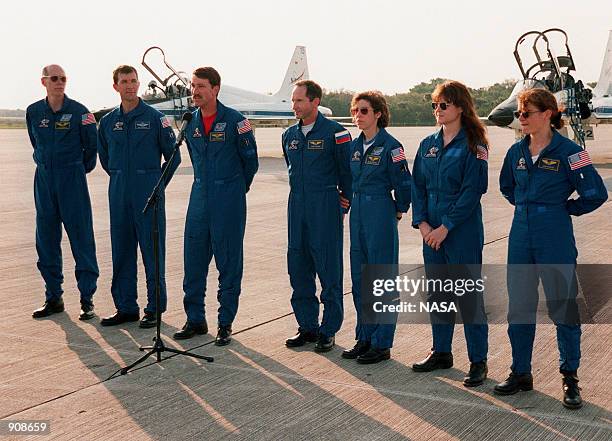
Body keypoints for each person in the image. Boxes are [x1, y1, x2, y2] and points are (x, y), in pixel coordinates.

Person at [496, 88, 607, 408]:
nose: (521, 119)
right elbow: (507, 187)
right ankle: (520, 372)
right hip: (520, 235)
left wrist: (565, 210)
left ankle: (570, 377)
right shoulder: (516, 152)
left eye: (526, 113)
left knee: (562, 307)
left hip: (554, 235)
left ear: (547, 114)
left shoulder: (571, 151)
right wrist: (528, 209)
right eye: (519, 114)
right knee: (519, 306)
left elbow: (595, 193)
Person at [410, 81, 489, 387]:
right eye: (435, 105)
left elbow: (473, 191)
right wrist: (425, 225)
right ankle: (441, 352)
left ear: (460, 107)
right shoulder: (428, 144)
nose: (438, 111)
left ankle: (477, 361)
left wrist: (446, 227)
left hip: (461, 231)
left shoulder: (474, 145)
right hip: (432, 234)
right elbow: (417, 186)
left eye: (444, 105)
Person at [173, 67, 259, 346]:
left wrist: (233, 189)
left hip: (228, 200)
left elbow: (251, 162)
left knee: (229, 262)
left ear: (215, 89)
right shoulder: (190, 123)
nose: (194, 92)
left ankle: (225, 322)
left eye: (200, 86)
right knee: (193, 260)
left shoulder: (236, 121)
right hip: (199, 198)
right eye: (192, 86)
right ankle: (195, 319)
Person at [97, 65, 180, 328]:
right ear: (116, 86)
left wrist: (157, 186)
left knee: (152, 252)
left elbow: (173, 157)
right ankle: (126, 307)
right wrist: (122, 178)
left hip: (149, 195)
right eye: (125, 81)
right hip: (119, 193)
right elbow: (105, 159)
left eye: (134, 81)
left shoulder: (156, 118)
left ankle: (154, 308)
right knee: (121, 252)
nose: (130, 86)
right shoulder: (108, 122)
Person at [282, 80, 353, 353]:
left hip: (324, 206)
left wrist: (343, 203)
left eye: (300, 101)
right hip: (296, 206)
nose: (295, 106)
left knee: (328, 269)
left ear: (315, 101)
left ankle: (329, 329)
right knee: (298, 267)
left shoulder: (337, 133)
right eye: (293, 101)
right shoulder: (289, 135)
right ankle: (307, 326)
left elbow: (347, 174)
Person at [26, 64, 99, 321]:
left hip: (72, 180)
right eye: (55, 78)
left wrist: (77, 171)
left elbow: (92, 149)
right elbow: (35, 143)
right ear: (43, 81)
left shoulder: (80, 112)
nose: (60, 82)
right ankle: (53, 297)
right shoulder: (34, 112)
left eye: (64, 78)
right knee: (46, 240)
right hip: (45, 180)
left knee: (81, 239)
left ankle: (87, 299)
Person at [343, 91, 411, 364]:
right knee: (360, 280)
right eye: (355, 111)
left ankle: (382, 343)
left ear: (378, 114)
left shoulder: (391, 147)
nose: (358, 116)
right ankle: (365, 337)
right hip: (358, 212)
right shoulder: (354, 146)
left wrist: (398, 210)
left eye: (364, 111)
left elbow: (404, 185)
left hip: (380, 211)